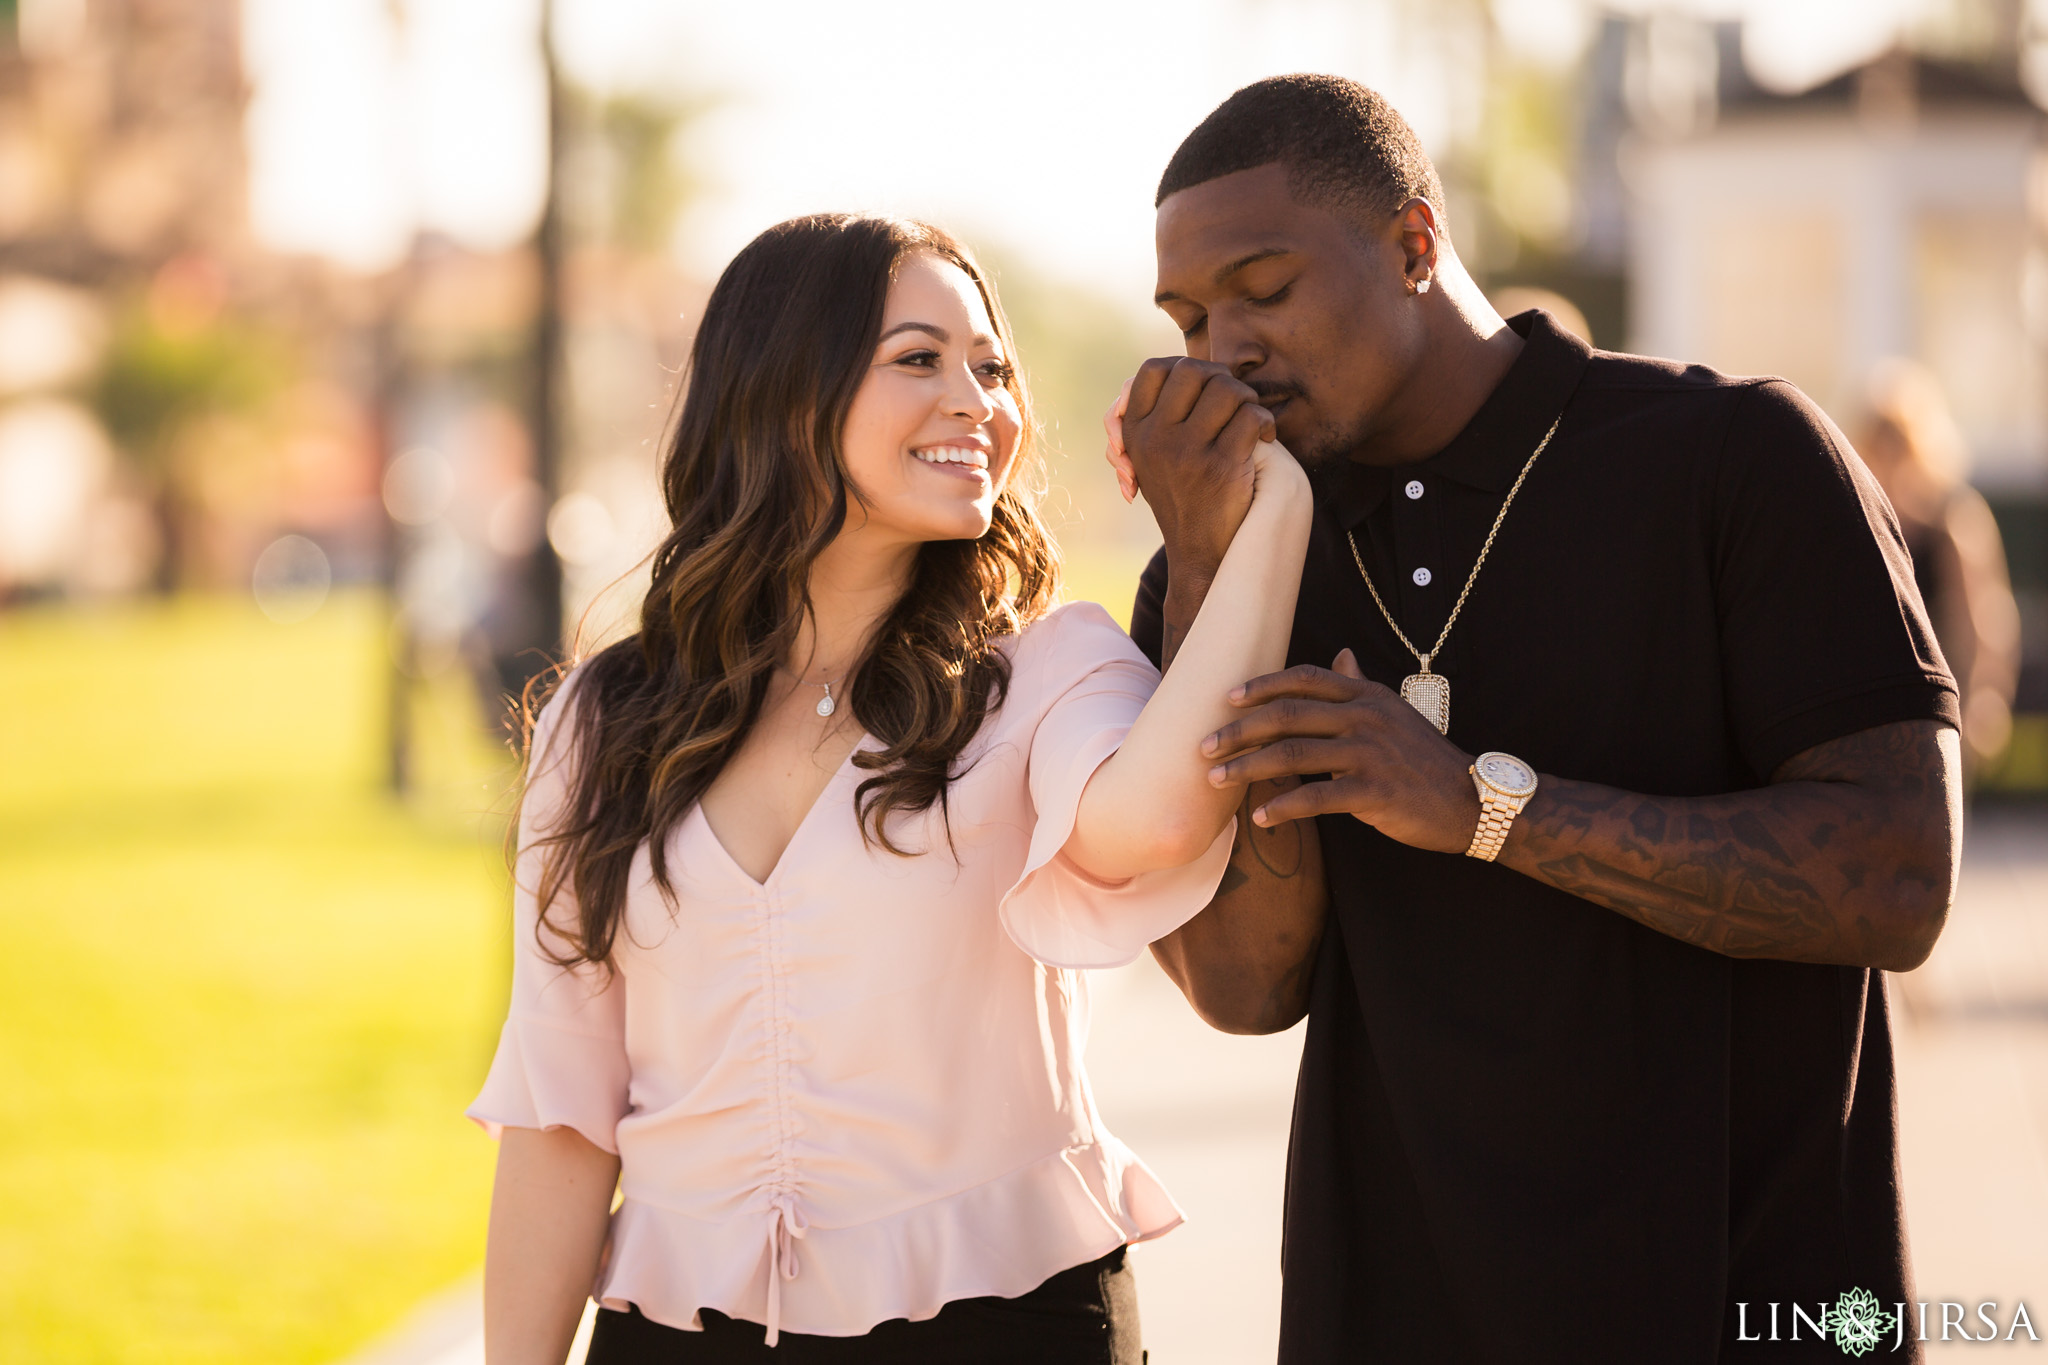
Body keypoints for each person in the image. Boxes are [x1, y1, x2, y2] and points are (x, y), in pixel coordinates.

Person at [1109, 76, 1961, 1362]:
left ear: (1412, 244)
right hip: (1391, 1321)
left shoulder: (1733, 457)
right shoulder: (1217, 560)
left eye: (1263, 288)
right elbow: (1241, 986)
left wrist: (1483, 809)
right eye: (1186, 316)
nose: (1220, 347)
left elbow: (1897, 878)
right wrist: (1215, 581)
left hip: (1752, 1308)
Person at [468, 213, 1312, 1364]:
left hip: (1000, 1327)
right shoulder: (605, 720)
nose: (975, 401)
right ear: (782, 392)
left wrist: (1273, 511)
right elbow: (562, 1115)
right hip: (676, 1333)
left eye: (992, 367)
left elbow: (1155, 821)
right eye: (918, 359)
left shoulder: (1048, 670)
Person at [1855, 358, 2021, 779]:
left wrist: (1984, 699)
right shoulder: (1861, 520)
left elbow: (1983, 621)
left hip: (1939, 712)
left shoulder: (1952, 521)